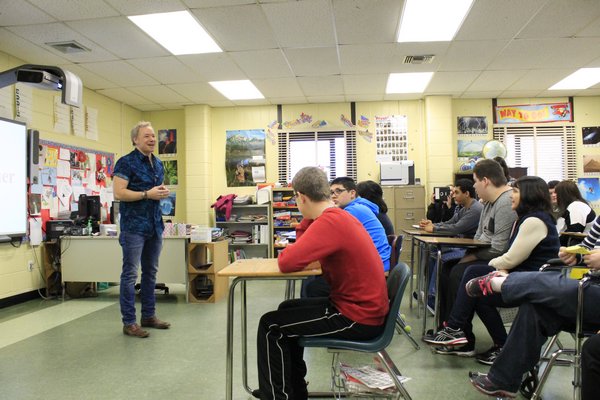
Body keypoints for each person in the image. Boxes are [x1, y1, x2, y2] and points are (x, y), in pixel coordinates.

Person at [254, 166, 389, 400]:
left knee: (271, 326)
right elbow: (304, 249)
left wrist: (306, 224)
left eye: (295, 198)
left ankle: (277, 395)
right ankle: (293, 389)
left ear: (302, 197)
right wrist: (309, 219)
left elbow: (288, 261)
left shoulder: (330, 221)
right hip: (360, 307)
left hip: (357, 317)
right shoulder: (335, 216)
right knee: (287, 309)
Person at [424, 176, 559, 366]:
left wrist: (494, 264)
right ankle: (500, 344)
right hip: (524, 277)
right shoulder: (528, 219)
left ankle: (455, 327)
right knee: (478, 292)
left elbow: (511, 258)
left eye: (516, 191)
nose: (512, 195)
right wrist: (498, 266)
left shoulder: (534, 221)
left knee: (472, 272)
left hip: (531, 282)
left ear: (529, 195)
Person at [465, 215, 600, 399]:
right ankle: (503, 380)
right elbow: (586, 249)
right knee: (536, 307)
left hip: (592, 295)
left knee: (568, 289)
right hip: (589, 293)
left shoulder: (535, 221)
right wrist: (575, 256)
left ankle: (502, 284)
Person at [435, 159, 517, 356]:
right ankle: (449, 329)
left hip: (501, 262)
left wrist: (470, 257)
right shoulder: (489, 202)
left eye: (475, 181)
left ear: (486, 181)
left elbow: (499, 248)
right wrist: (470, 255)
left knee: (459, 272)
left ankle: (463, 337)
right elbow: (480, 237)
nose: (473, 186)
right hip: (486, 256)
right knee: (447, 268)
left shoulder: (505, 202)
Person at [113, 121, 171, 338]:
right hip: (133, 227)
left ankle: (148, 315)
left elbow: (155, 191)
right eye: (146, 136)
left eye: (153, 136)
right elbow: (119, 193)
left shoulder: (157, 164)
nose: (152, 139)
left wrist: (160, 192)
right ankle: (129, 322)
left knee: (151, 272)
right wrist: (147, 194)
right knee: (130, 275)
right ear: (135, 139)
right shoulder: (125, 163)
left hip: (155, 226)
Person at [302, 177, 391, 297]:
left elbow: (322, 237)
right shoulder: (359, 207)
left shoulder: (353, 210)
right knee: (317, 278)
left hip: (370, 272)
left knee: (314, 286)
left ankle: (327, 313)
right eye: (331, 193)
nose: (333, 196)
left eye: (338, 191)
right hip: (373, 266)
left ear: (352, 193)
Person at [419, 179, 483, 307]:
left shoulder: (475, 209)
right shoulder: (464, 208)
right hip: (461, 244)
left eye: (456, 192)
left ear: (467, 194)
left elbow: (457, 228)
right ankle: (428, 292)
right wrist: (432, 224)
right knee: (429, 249)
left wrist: (434, 228)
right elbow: (450, 223)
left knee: (441, 257)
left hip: (468, 249)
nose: (453, 195)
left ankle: (433, 297)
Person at [555, 180, 596, 245]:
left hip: (585, 247)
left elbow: (575, 234)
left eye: (556, 193)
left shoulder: (576, 206)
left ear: (563, 195)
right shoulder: (574, 205)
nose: (555, 196)